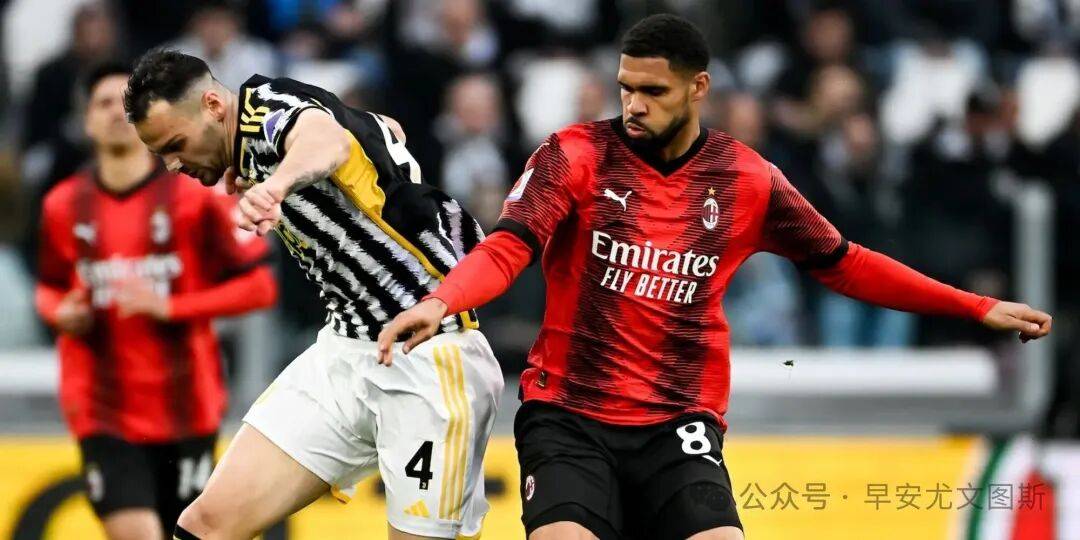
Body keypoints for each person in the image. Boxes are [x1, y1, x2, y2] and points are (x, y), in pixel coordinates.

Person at [377, 14, 1053, 540]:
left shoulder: (747, 180)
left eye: (653, 91)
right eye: (626, 88)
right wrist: (441, 301)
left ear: (698, 88)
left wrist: (974, 307)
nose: (634, 105)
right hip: (569, 414)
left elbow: (845, 262)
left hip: (679, 422)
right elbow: (508, 247)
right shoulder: (574, 155)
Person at [123, 50, 503, 540]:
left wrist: (276, 185)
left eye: (176, 144)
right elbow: (378, 128)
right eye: (161, 154)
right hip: (345, 352)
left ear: (214, 106)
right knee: (205, 527)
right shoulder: (257, 133)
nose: (173, 164)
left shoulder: (267, 115)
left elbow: (326, 140)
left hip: (429, 356)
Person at [34, 62, 277, 540]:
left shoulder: (195, 194)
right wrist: (59, 312)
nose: (115, 113)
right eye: (103, 103)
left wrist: (171, 308)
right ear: (86, 121)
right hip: (102, 410)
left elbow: (260, 287)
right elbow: (47, 287)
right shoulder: (62, 204)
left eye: (125, 104)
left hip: (188, 406)